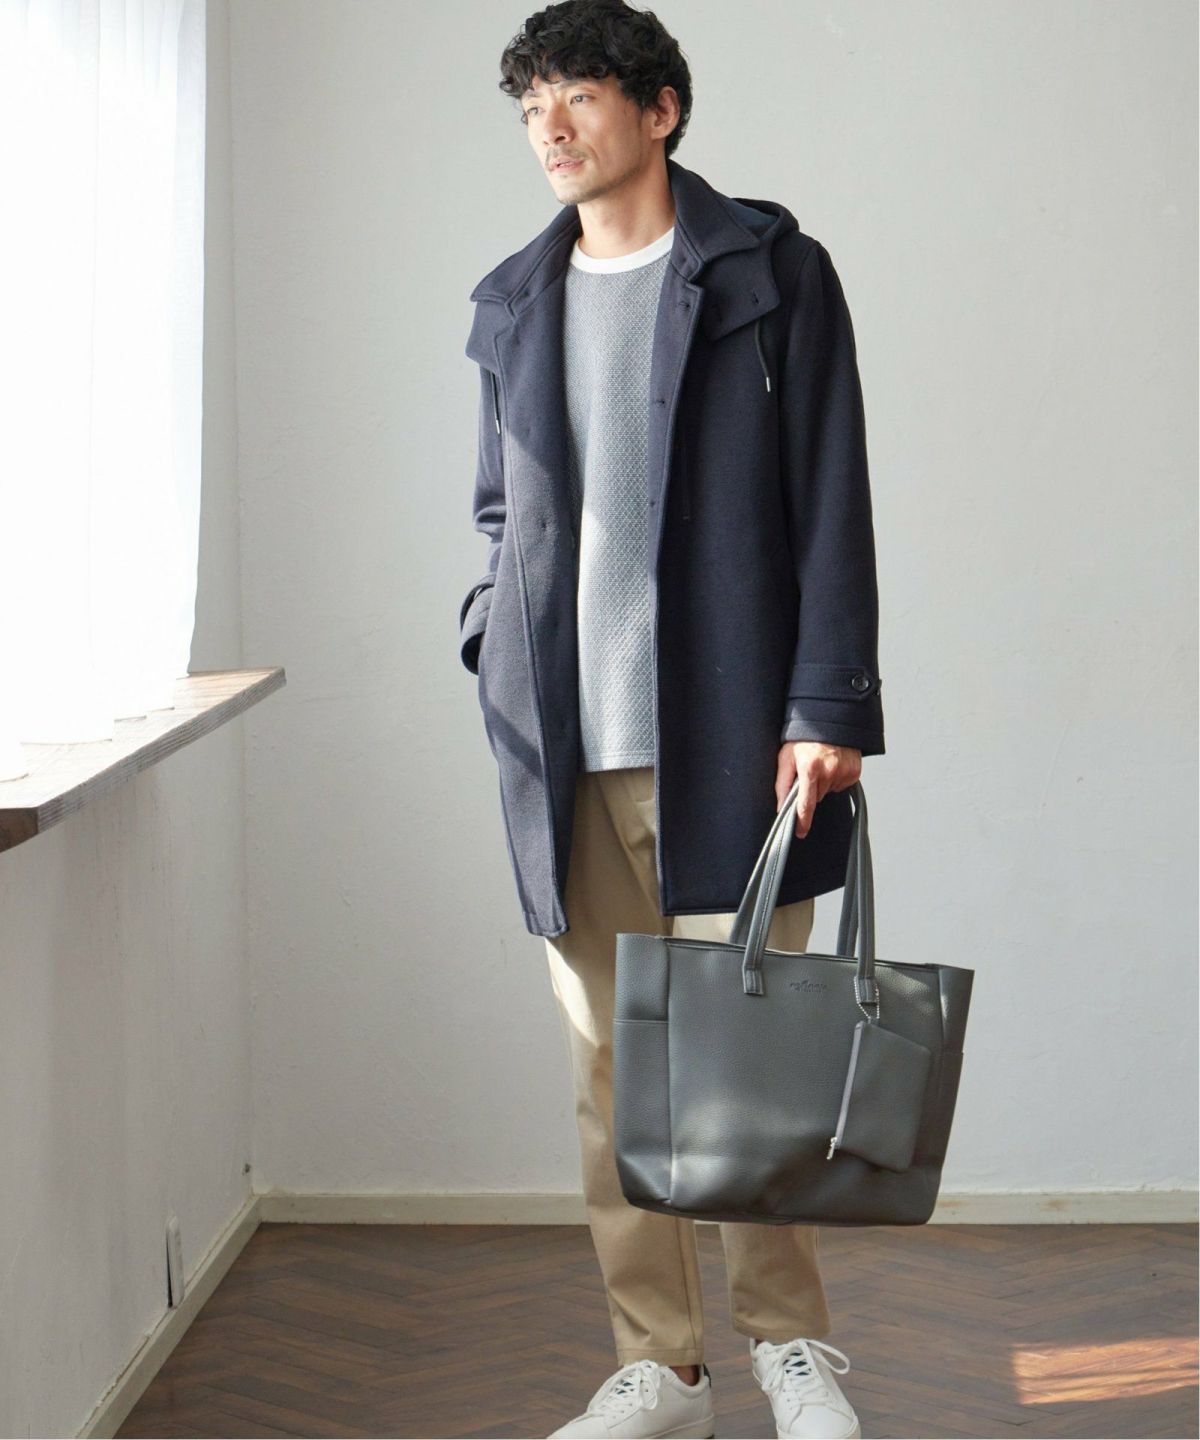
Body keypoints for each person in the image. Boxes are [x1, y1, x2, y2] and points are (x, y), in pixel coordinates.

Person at [458, 4, 883, 1435]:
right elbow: (500, 514)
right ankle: (664, 1364)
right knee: (610, 1069)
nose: (551, 129)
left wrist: (826, 700)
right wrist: (492, 641)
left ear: (660, 109)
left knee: (747, 1060)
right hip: (565, 747)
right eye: (532, 108)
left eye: (577, 96)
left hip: (740, 741)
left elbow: (832, 495)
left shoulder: (770, 273)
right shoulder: (514, 303)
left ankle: (787, 1348)